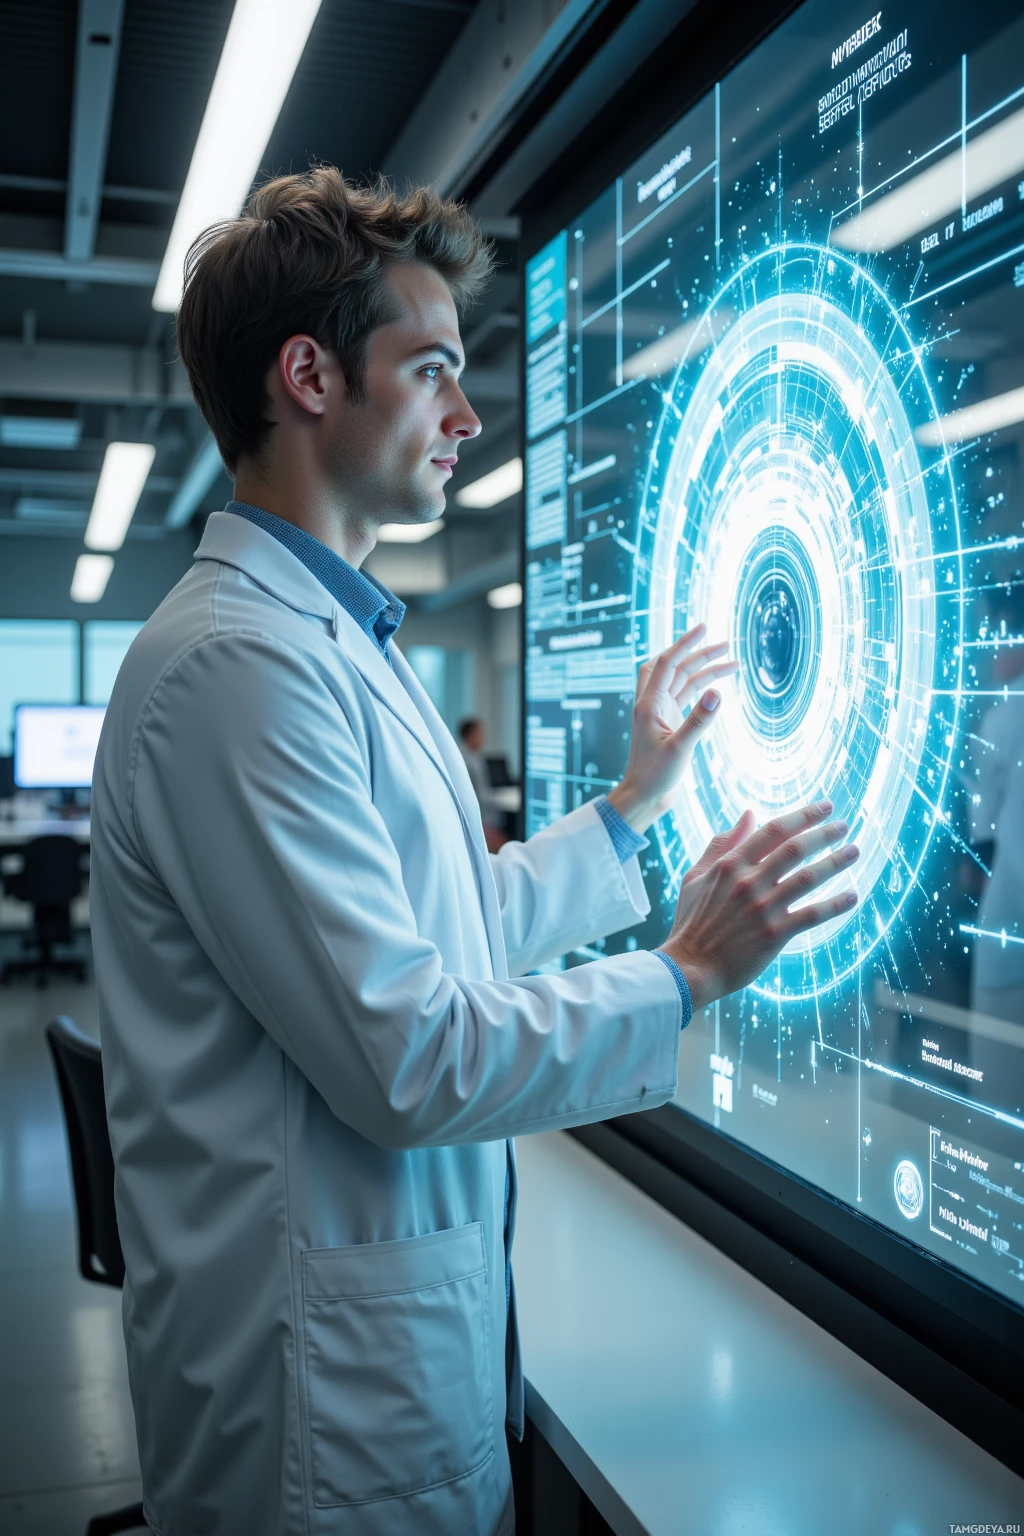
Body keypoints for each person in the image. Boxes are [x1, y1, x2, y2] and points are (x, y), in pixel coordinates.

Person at [89, 167, 859, 1536]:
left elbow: (442, 931)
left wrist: (630, 807)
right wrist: (680, 976)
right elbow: (411, 1055)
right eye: (434, 370)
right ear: (311, 376)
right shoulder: (240, 670)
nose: (468, 415)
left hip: (380, 1360)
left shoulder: (329, 644)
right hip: (320, 1422)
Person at [458, 715, 508, 851]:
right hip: (480, 821)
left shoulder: (475, 756)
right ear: (470, 735)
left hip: (484, 816)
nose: (483, 737)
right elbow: (480, 795)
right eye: (479, 733)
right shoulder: (467, 761)